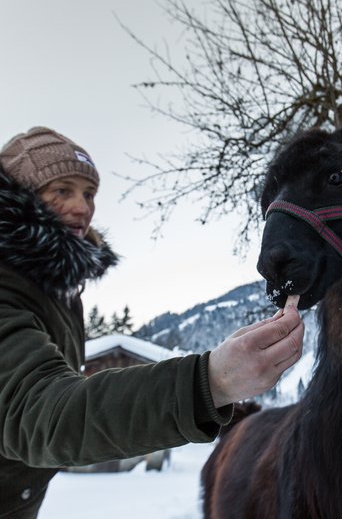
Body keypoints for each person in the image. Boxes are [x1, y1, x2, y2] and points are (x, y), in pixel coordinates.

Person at [0, 127, 304, 518]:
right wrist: (210, 381)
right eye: (62, 190)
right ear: (20, 197)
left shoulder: (55, 290)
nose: (82, 207)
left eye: (89, 194)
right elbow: (42, 413)